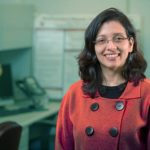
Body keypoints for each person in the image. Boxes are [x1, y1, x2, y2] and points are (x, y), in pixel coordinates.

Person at [55, 7, 150, 150]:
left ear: (131, 44)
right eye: (101, 40)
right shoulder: (74, 93)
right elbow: (62, 146)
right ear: (93, 48)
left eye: (118, 38)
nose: (111, 47)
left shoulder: (147, 94)